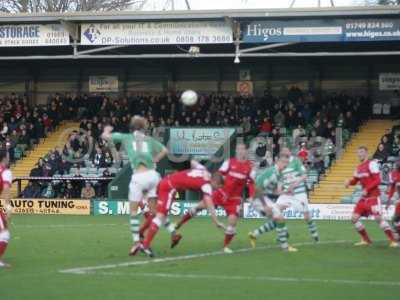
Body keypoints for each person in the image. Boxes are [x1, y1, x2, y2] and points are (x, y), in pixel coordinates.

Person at [101, 115, 169, 255]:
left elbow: (105, 137)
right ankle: (160, 236)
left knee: (133, 213)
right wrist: (155, 160)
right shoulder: (149, 140)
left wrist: (107, 130)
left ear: (132, 127)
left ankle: (137, 243)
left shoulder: (127, 137)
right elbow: (165, 151)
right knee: (155, 211)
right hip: (152, 175)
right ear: (144, 127)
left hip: (138, 177)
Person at [174, 144, 255, 253]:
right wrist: (216, 183)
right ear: (236, 151)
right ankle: (179, 224)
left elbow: (251, 183)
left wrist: (251, 196)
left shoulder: (249, 166)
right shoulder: (229, 162)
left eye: (242, 149)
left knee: (232, 222)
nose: (240, 151)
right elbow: (219, 174)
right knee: (198, 207)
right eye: (238, 149)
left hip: (234, 199)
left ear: (246, 151)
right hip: (221, 193)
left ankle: (225, 246)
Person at [132, 161, 225, 257]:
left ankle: (145, 236)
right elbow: (209, 203)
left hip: (166, 182)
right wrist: (216, 221)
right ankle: (145, 244)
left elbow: (192, 162)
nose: (217, 189)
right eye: (218, 186)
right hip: (170, 188)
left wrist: (183, 172)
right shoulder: (207, 185)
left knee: (158, 213)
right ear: (214, 181)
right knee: (160, 216)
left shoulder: (203, 170)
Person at [345, 146, 397, 247]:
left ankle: (393, 240)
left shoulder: (372, 164)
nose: (360, 154)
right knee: (354, 218)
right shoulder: (358, 168)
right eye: (358, 152)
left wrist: (366, 189)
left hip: (373, 197)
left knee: (378, 218)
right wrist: (349, 182)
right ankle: (366, 240)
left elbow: (377, 180)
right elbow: (355, 181)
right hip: (364, 199)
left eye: (362, 152)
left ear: (366, 153)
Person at [248, 154, 298, 252]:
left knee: (277, 221)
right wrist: (265, 206)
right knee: (279, 219)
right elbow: (257, 188)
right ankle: (285, 247)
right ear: (277, 162)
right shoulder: (272, 173)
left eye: (287, 163)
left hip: (262, 197)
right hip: (256, 198)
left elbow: (274, 190)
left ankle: (254, 234)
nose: (285, 165)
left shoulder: (279, 174)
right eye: (283, 162)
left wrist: (285, 192)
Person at [276, 147, 319, 242]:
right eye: (283, 151)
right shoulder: (280, 164)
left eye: (286, 151)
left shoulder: (295, 162)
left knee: (306, 216)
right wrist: (280, 190)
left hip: (299, 193)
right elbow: (280, 180)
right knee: (275, 211)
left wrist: (295, 183)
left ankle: (314, 232)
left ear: (289, 152)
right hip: (287, 193)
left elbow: (304, 175)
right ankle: (284, 232)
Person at [0, 151, 12, 268]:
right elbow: (6, 189)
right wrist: (7, 205)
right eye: (7, 157)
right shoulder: (6, 172)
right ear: (4, 158)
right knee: (4, 234)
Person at [386, 161, 400, 237]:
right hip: (398, 199)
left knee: (395, 219)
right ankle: (397, 234)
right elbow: (392, 188)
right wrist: (388, 201)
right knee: (395, 219)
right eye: (396, 165)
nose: (396, 166)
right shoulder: (393, 174)